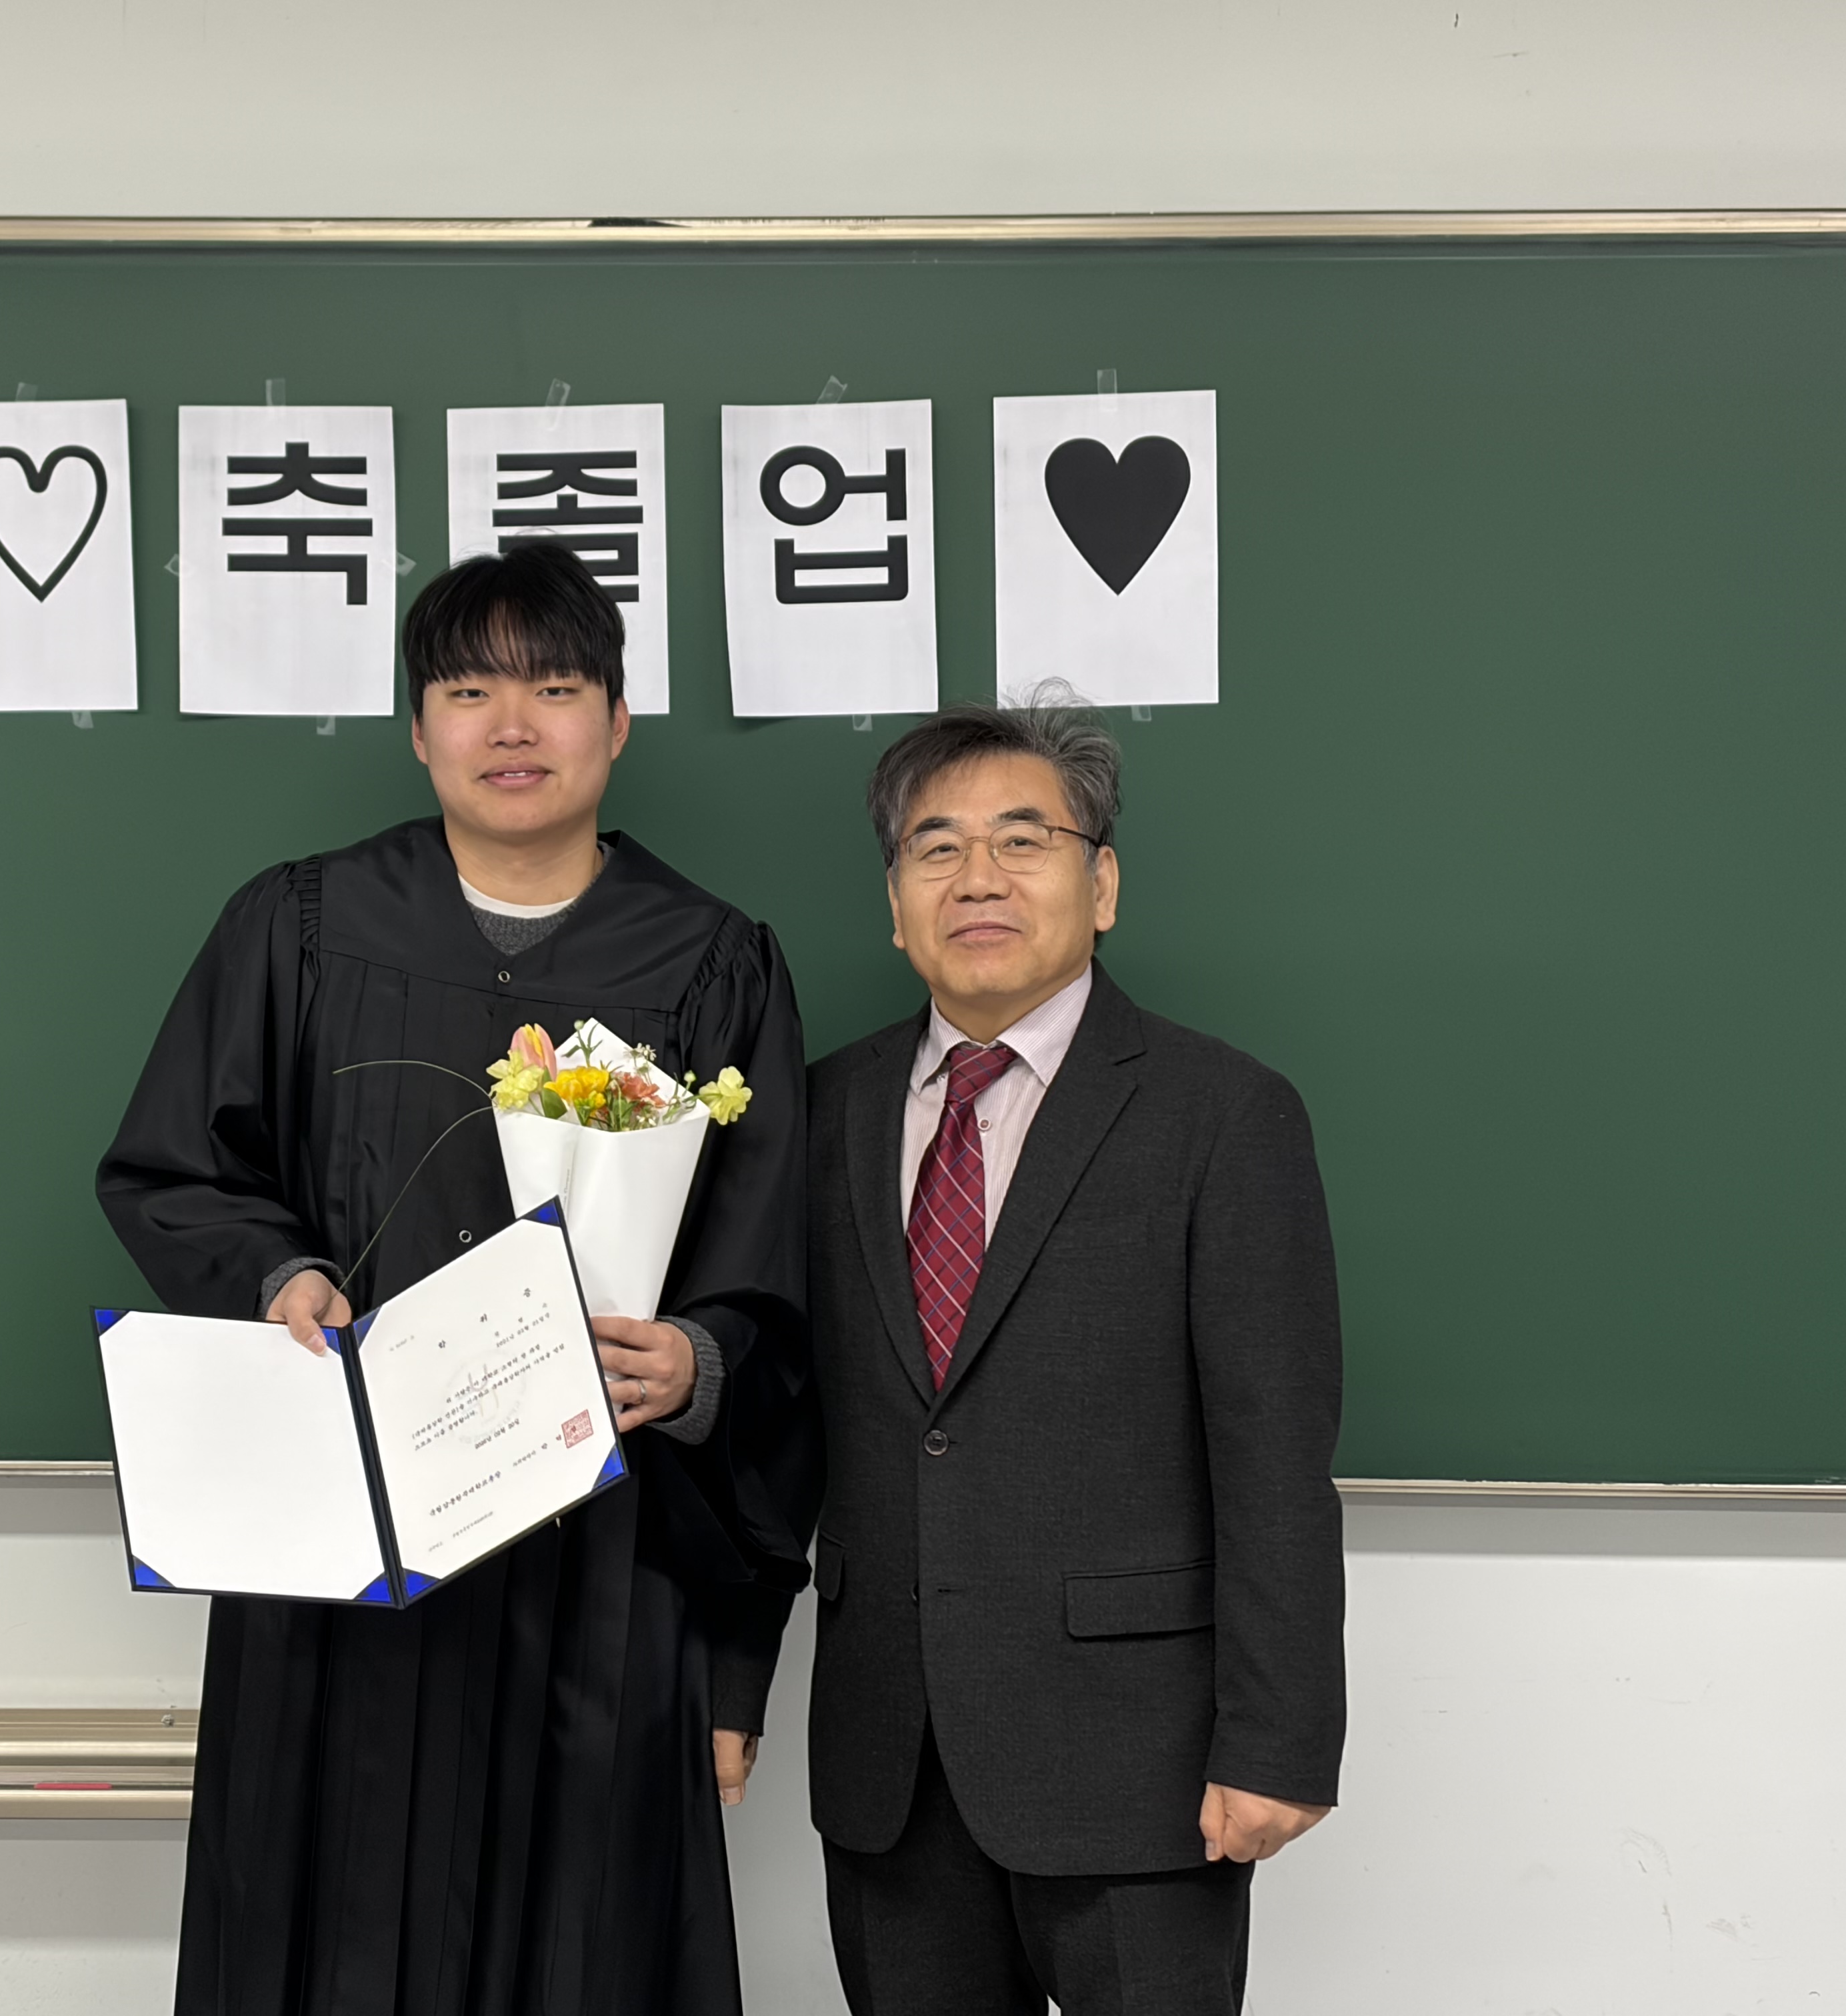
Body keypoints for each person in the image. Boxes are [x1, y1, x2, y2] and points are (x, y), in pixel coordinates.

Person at [96, 542, 815, 2016]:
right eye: (471, 690)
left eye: (555, 688)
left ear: (617, 723)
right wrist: (279, 1273)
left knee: (582, 1948)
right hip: (343, 1550)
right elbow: (171, 1171)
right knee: (322, 1927)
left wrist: (697, 1361)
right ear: (418, 728)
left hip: (600, 1562)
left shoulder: (711, 965)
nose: (513, 725)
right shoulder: (299, 928)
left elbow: (770, 1273)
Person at [787, 699, 1345, 2014]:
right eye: (936, 848)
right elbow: (783, 1424)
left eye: (1023, 841)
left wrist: (1278, 1742)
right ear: (894, 905)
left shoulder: (1224, 1114)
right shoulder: (822, 1111)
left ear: (1102, 887)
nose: (977, 878)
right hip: (889, 1762)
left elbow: (1274, 1456)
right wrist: (724, 1686)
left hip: (1139, 1769)